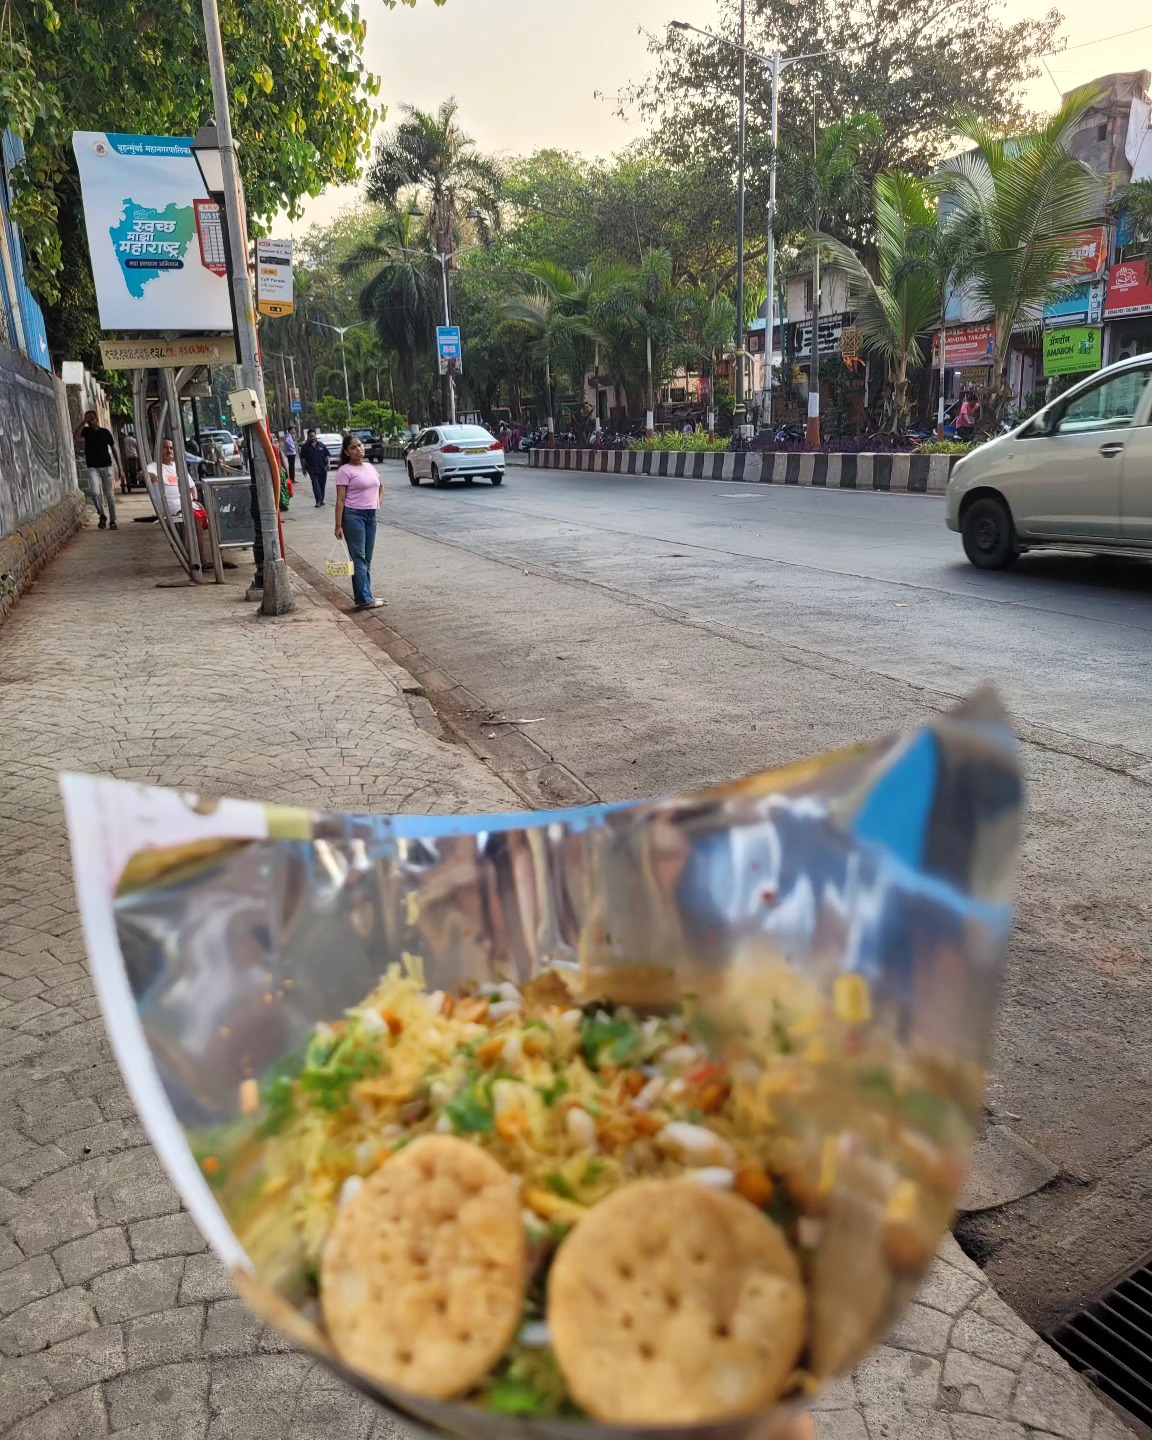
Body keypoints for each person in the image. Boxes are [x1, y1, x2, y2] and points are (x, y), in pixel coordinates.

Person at [333, 433, 384, 611]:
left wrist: (377, 504)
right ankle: (363, 599)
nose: (358, 449)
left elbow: (381, 487)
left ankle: (366, 594)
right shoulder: (344, 471)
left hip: (370, 516)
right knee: (359, 558)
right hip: (353, 516)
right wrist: (338, 526)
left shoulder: (370, 467)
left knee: (366, 558)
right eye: (353, 447)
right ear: (347, 452)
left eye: (360, 445)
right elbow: (340, 500)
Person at [147, 438, 211, 569]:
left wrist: (194, 499)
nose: (169, 450)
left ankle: (202, 556)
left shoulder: (178, 467)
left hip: (187, 503)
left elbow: (192, 486)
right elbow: (143, 474)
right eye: (165, 447)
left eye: (171, 448)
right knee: (194, 519)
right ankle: (200, 559)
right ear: (159, 450)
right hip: (170, 505)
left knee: (208, 516)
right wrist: (149, 476)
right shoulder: (153, 466)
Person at [74, 409, 120, 530]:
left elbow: (113, 449)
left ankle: (113, 520)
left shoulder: (105, 432)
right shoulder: (86, 431)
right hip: (92, 467)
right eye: (89, 420)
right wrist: (84, 421)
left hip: (106, 466)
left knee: (109, 495)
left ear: (97, 419)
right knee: (95, 492)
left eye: (92, 419)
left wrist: (120, 468)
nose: (91, 422)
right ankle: (102, 515)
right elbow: (76, 436)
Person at [301, 428, 329, 506]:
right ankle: (318, 501)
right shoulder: (305, 447)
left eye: (313, 436)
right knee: (315, 484)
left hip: (322, 468)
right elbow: (303, 459)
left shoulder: (321, 445)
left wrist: (328, 464)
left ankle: (322, 500)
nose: (312, 438)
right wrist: (304, 469)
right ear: (308, 437)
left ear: (315, 436)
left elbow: (327, 455)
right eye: (310, 436)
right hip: (312, 469)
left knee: (322, 485)